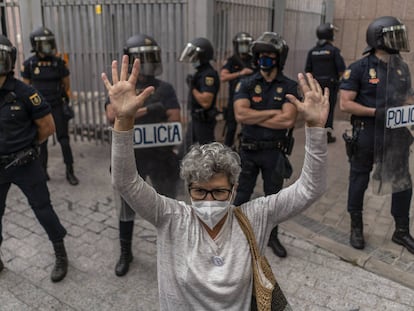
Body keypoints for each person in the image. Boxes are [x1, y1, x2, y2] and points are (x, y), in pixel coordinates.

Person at [102, 54, 328, 310]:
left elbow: (311, 188)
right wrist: (123, 120)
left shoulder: (256, 217)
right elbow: (125, 181)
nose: (209, 201)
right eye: (200, 191)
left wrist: (315, 127)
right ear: (188, 190)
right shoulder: (170, 217)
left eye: (219, 192)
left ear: (233, 190)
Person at [105, 34, 181, 276]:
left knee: (168, 206)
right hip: (132, 158)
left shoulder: (165, 88)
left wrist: (135, 113)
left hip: (160, 157)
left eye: (151, 58)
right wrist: (151, 110)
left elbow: (176, 118)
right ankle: (125, 252)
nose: (148, 63)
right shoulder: (122, 88)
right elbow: (112, 115)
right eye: (143, 58)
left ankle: (172, 251)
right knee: (125, 208)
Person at [339, 16, 414, 254]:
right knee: (359, 180)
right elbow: (345, 104)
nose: (398, 40)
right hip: (368, 133)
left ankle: (401, 231)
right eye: (393, 35)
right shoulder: (359, 68)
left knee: (402, 182)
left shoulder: (401, 67)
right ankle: (356, 227)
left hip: (396, 135)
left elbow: (406, 98)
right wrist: (375, 112)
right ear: (378, 38)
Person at [0, 35, 68, 282]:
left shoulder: (26, 93)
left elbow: (47, 127)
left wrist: (26, 147)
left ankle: (60, 252)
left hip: (25, 164)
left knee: (43, 209)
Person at [232, 32, 298, 258]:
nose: (264, 59)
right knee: (241, 195)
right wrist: (273, 112)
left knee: (274, 199)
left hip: (274, 152)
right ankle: (233, 233)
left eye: (269, 55)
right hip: (248, 150)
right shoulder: (247, 83)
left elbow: (288, 120)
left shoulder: (290, 86)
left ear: (279, 58)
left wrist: (255, 114)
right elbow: (241, 115)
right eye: (261, 55)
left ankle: (272, 237)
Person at [21, 26, 79, 185]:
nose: (48, 46)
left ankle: (70, 171)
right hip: (39, 110)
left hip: (57, 106)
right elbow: (26, 89)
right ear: (36, 45)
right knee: (42, 142)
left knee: (64, 140)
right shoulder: (29, 64)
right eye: (44, 43)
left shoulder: (58, 63)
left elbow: (66, 85)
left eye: (49, 42)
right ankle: (43, 171)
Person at [305, 23, 346, 143]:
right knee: (328, 108)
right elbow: (341, 70)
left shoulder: (312, 51)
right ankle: (326, 134)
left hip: (316, 85)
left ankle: (315, 133)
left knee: (316, 108)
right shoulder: (333, 51)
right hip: (330, 86)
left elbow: (308, 70)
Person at [179, 37, 220, 147]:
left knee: (208, 151)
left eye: (195, 56)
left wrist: (192, 87)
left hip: (204, 121)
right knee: (186, 149)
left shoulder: (208, 75)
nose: (193, 59)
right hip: (197, 119)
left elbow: (206, 102)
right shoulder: (201, 72)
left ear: (203, 56)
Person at [220, 32, 255, 148]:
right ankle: (227, 150)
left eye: (246, 44)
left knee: (249, 127)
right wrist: (241, 73)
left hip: (251, 100)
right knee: (231, 127)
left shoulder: (254, 60)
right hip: (234, 99)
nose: (243, 47)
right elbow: (223, 77)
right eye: (241, 44)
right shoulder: (232, 60)